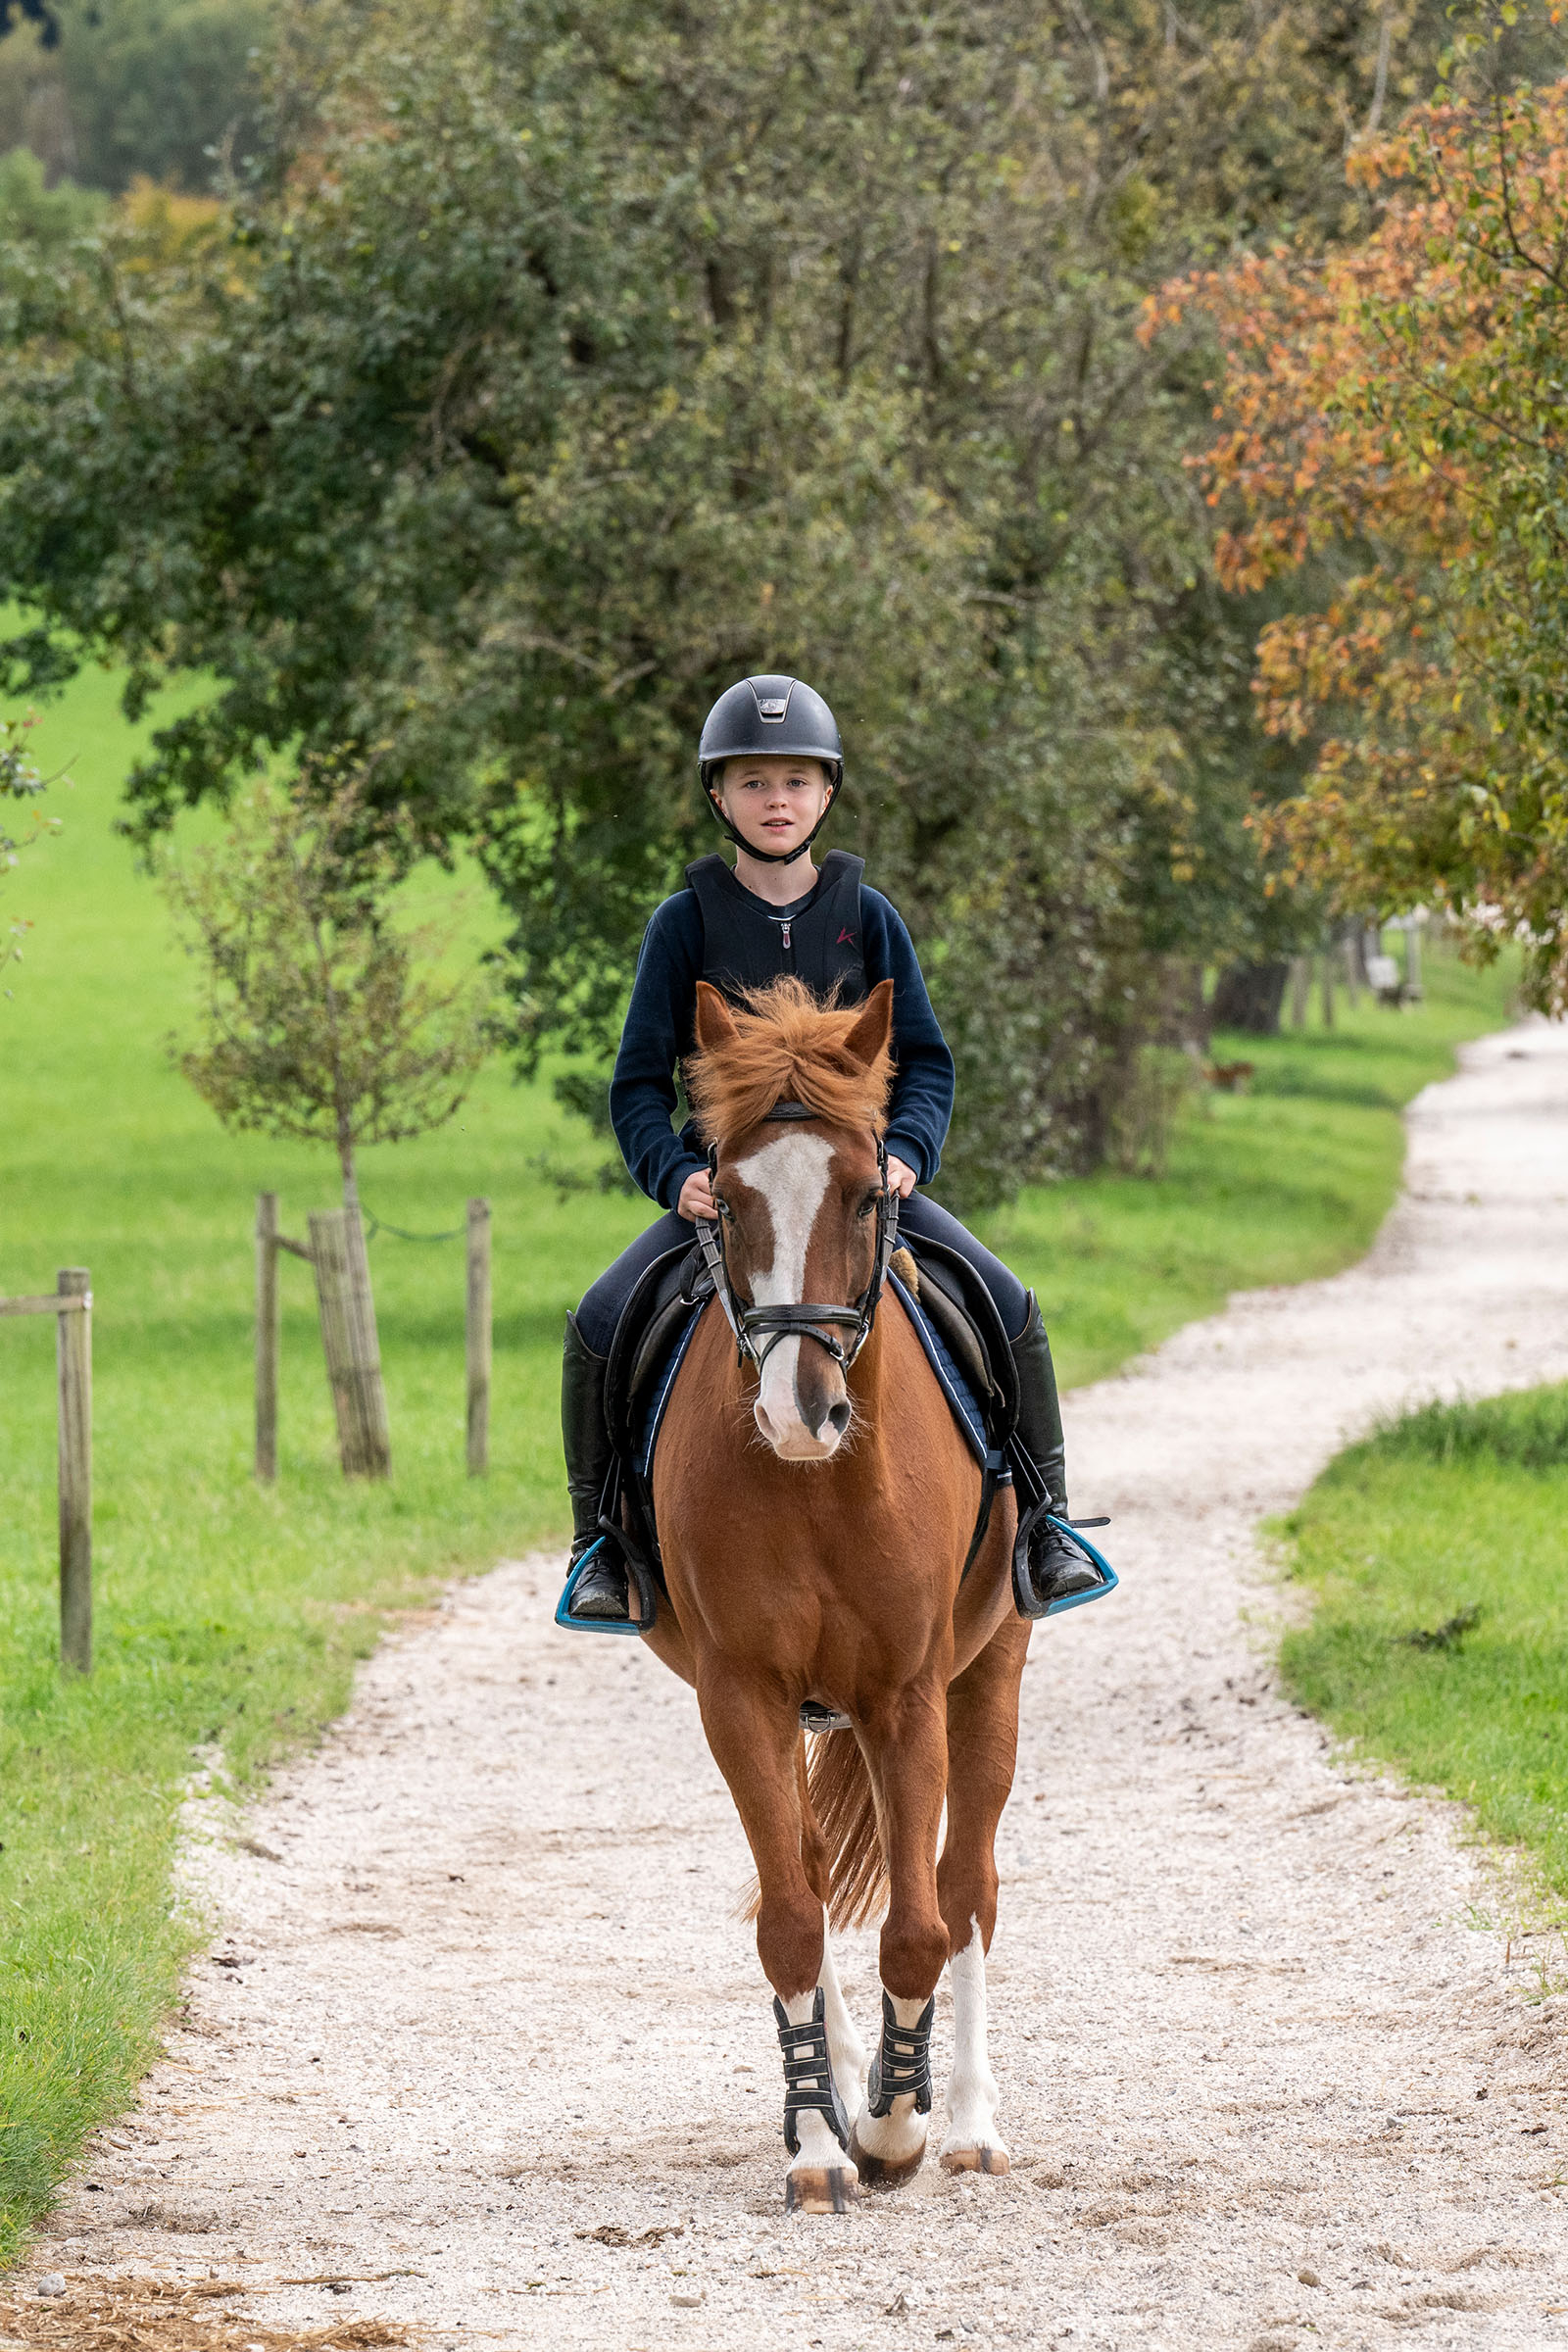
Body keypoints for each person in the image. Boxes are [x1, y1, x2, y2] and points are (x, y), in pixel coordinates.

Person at [561, 673, 1099, 1622]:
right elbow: (637, 1086)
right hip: (736, 1200)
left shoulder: (870, 915)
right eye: (755, 782)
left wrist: (909, 1155)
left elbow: (925, 1060)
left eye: (796, 782)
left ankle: (1045, 1523)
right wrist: (678, 1175)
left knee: (1010, 1307)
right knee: (597, 1325)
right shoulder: (681, 925)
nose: (777, 801)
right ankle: (600, 1547)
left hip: (858, 1191)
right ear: (718, 797)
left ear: (827, 794)